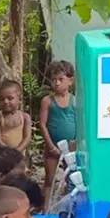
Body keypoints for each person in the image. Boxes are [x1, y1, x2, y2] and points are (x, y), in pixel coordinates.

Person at [39, 60, 76, 206]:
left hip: (71, 148)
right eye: (54, 80)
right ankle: (46, 209)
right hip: (52, 147)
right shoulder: (47, 101)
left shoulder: (75, 101)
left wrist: (75, 143)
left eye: (61, 79)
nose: (57, 83)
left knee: (71, 179)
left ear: (70, 81)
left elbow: (79, 123)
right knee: (50, 179)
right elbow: (42, 124)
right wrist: (50, 146)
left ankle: (69, 207)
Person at [0, 79, 31, 154]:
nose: (5, 102)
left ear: (20, 99)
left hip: (20, 157)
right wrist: (9, 152)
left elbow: (27, 138)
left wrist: (17, 151)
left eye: (10, 98)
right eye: (2, 99)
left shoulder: (25, 117)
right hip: (4, 156)